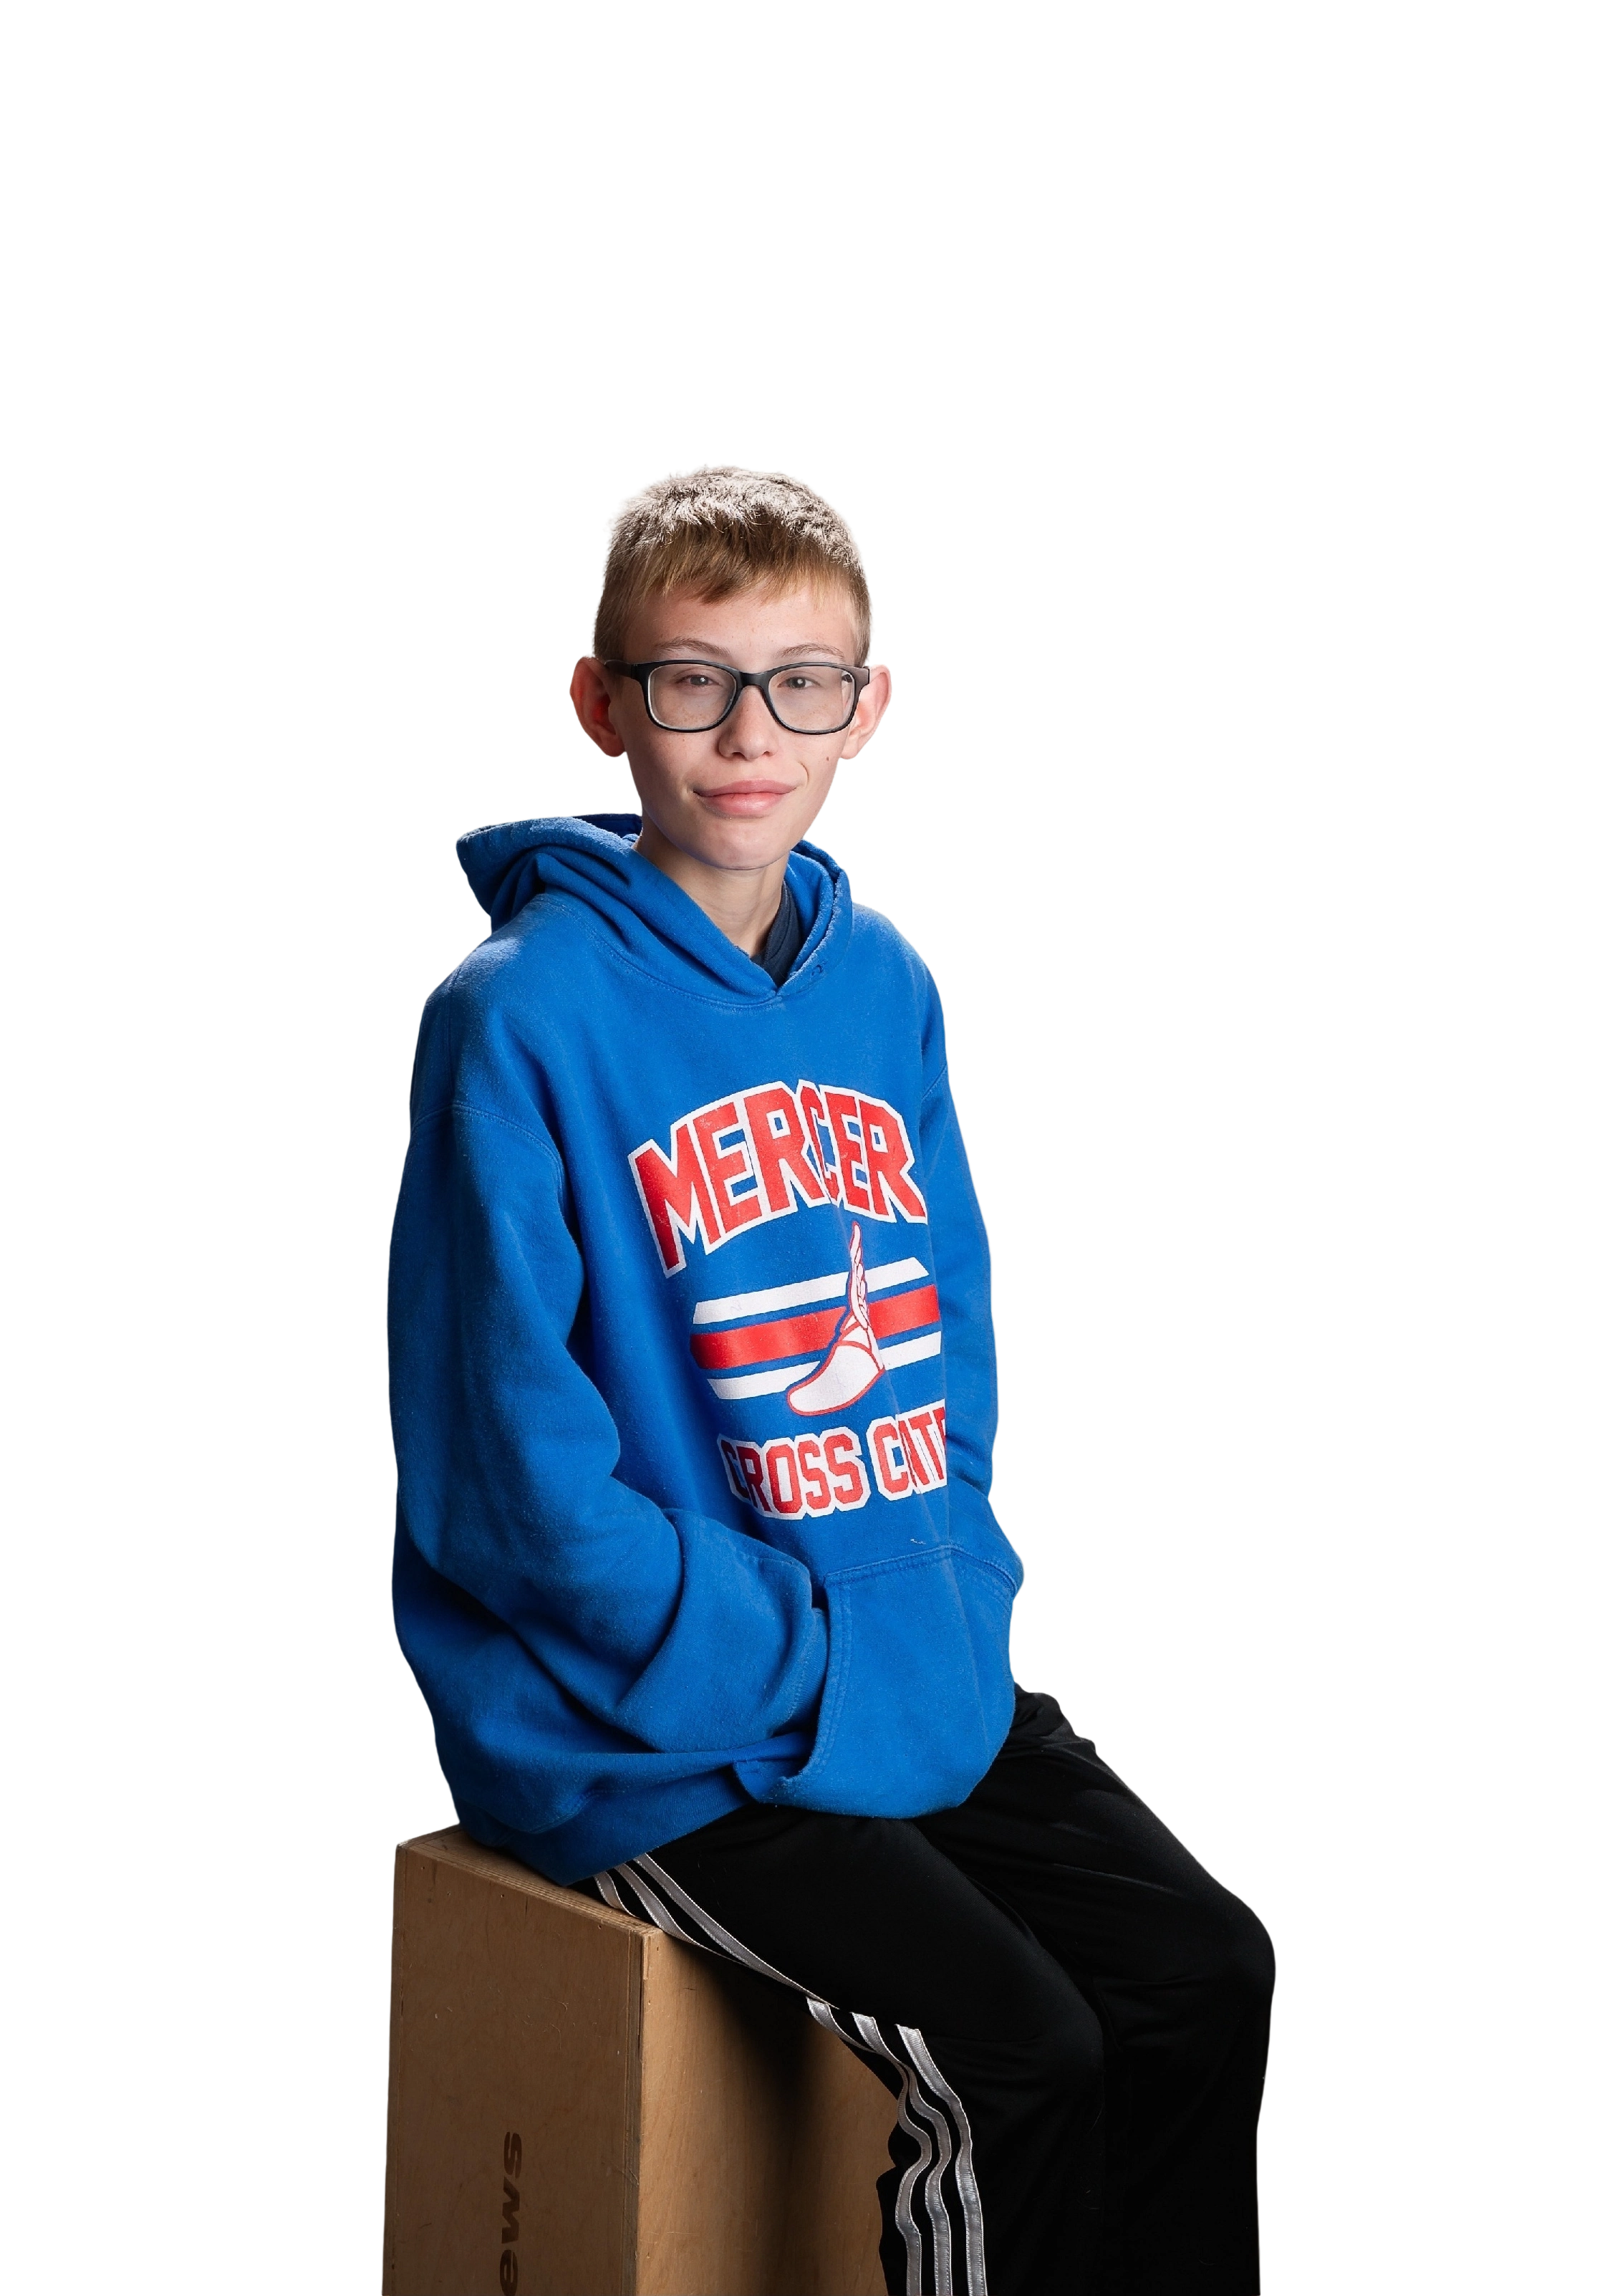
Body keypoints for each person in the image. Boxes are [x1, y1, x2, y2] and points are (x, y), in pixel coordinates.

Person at [385, 461, 1276, 2294]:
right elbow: (508, 1487)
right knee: (1022, 2050)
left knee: (1206, 1969)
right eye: (692, 680)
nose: (747, 734)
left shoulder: (885, 984)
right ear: (601, 704)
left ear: (867, 709)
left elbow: (953, 1334)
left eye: (800, 684)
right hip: (649, 1726)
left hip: (893, 1655)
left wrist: (946, 1591)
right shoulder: (520, 1013)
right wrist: (789, 1655)